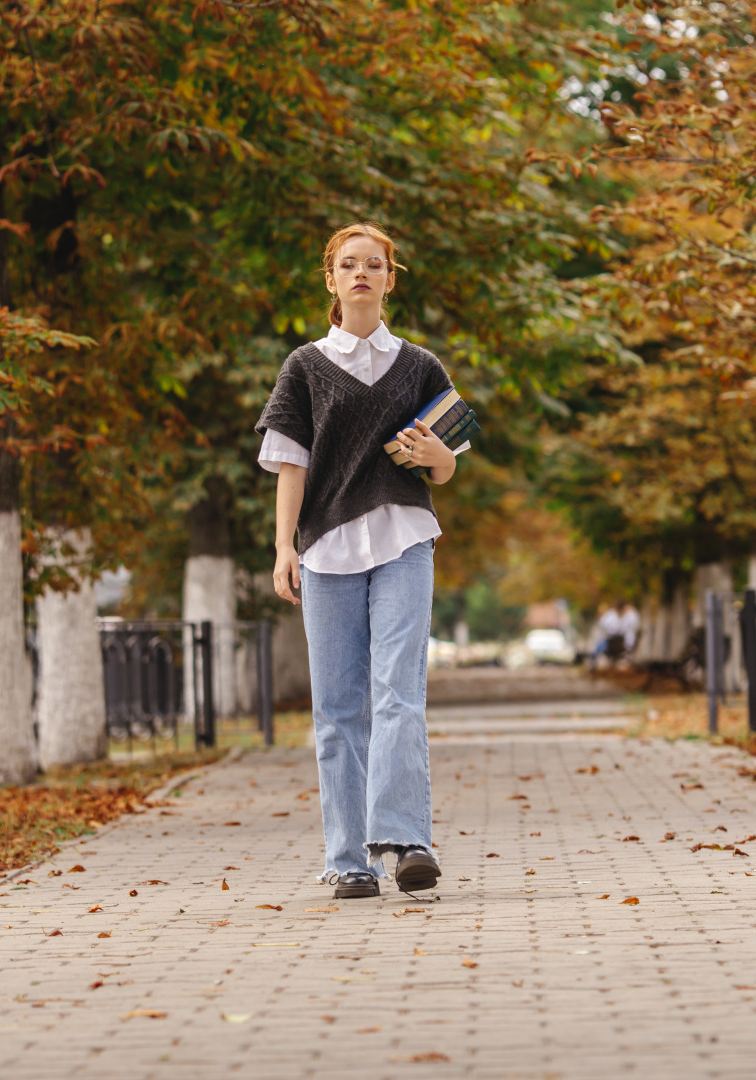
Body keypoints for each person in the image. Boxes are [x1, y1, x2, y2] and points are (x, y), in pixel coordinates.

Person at [255, 222, 469, 900]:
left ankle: (408, 842)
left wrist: (438, 459)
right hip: (325, 548)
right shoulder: (305, 366)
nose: (360, 275)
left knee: (398, 694)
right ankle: (348, 858)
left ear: (389, 278)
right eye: (348, 265)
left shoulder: (420, 365)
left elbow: (446, 464)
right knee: (339, 707)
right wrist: (283, 546)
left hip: (403, 537)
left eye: (373, 265)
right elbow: (291, 463)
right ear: (330, 279)